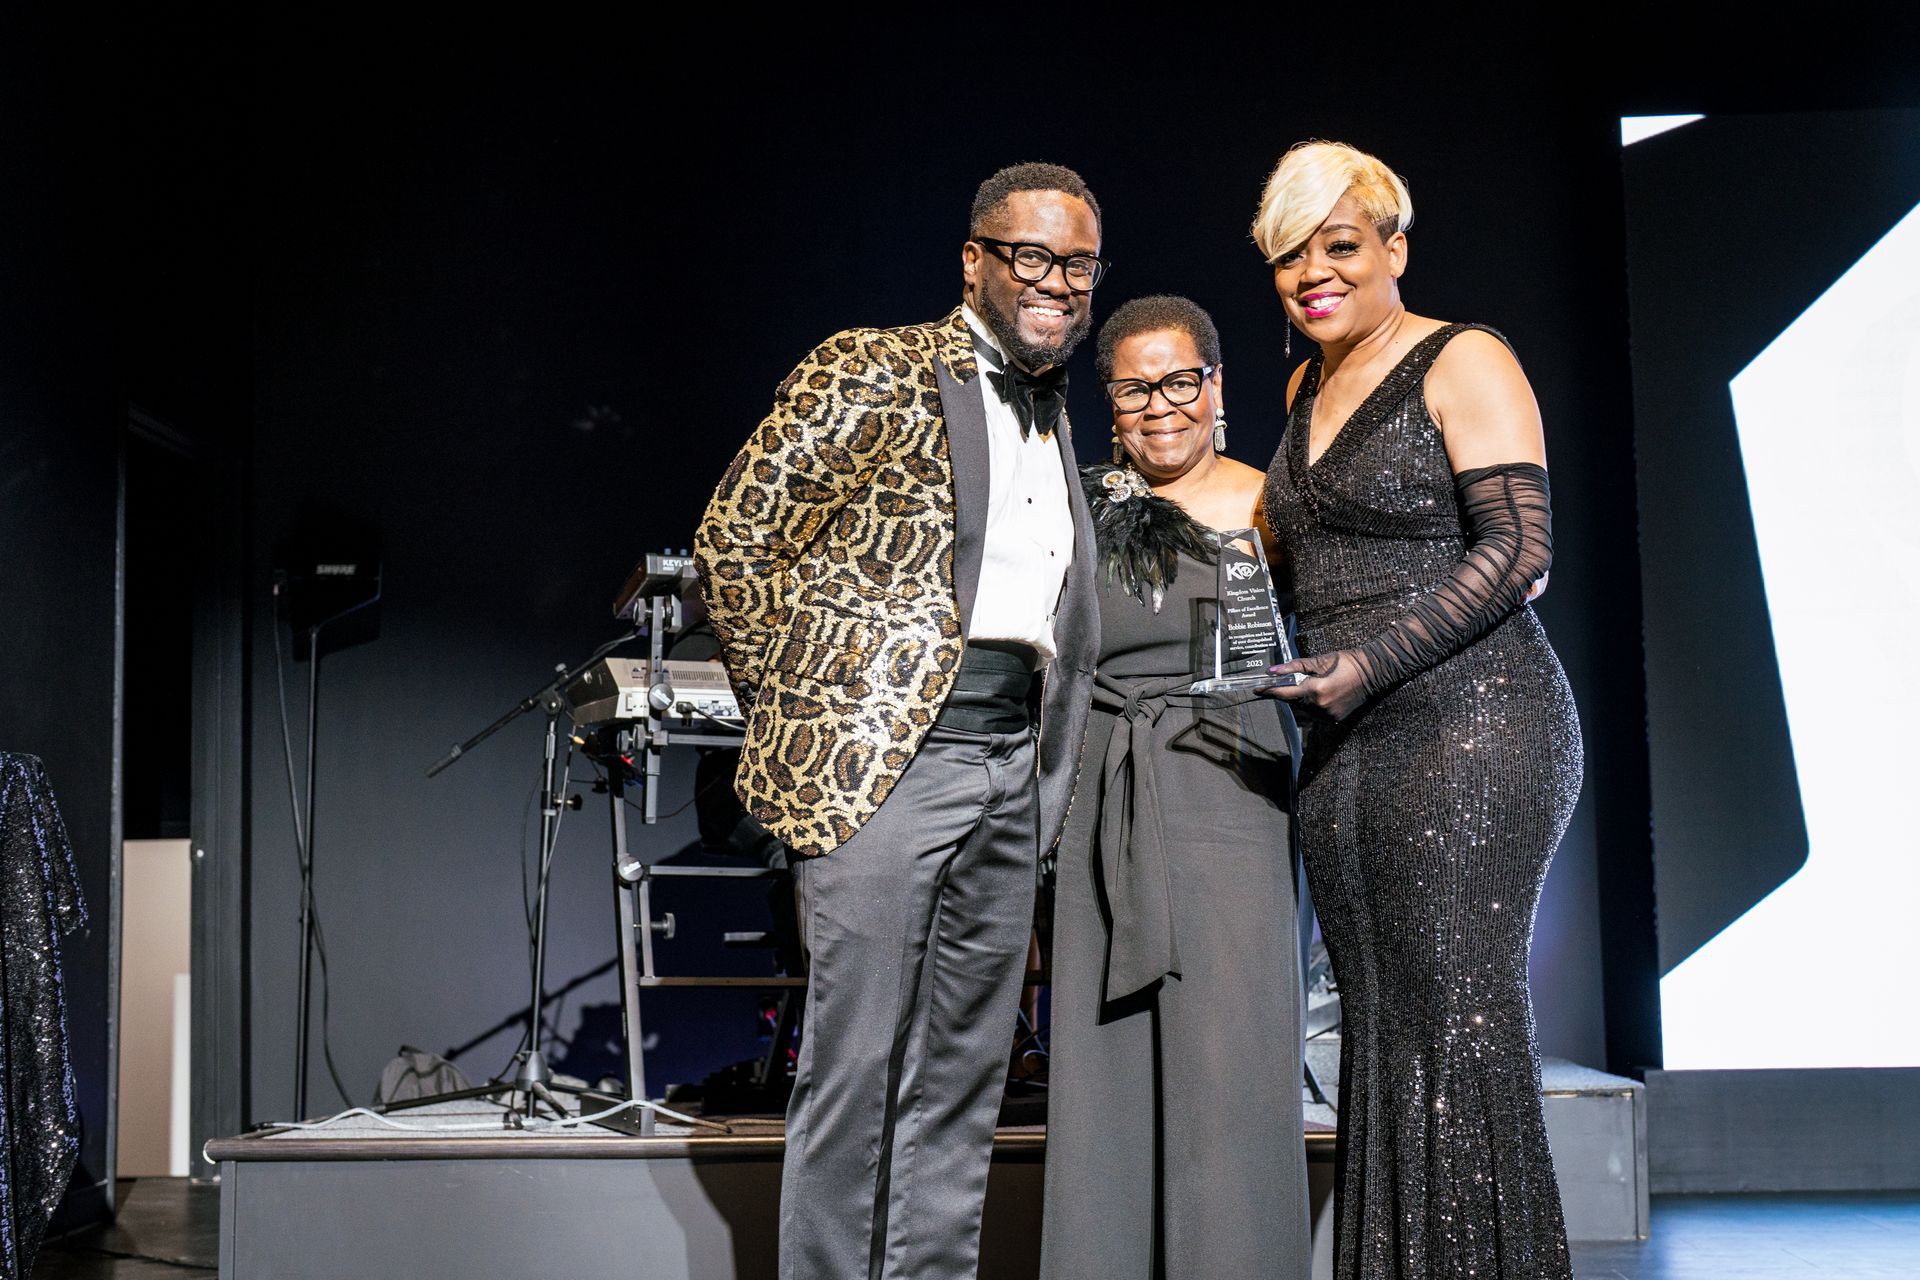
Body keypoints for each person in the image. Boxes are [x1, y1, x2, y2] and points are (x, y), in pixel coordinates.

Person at [694, 162, 1103, 1280]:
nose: (1056, 283)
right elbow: (736, 545)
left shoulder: (1058, 412)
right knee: (856, 1061)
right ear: (973, 260)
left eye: (1077, 264)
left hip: (1012, 765)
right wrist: (813, 714)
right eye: (1031, 256)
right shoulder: (868, 362)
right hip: (890, 767)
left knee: (966, 1072)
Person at [1254, 140, 1584, 1279]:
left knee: (1457, 1016)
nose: (1313, 275)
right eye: (1289, 258)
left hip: (1472, 722)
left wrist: (1369, 658)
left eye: (1338, 246)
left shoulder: (1461, 357)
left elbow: (1522, 552)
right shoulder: (1302, 387)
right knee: (1373, 1029)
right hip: (1347, 742)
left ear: (1394, 246)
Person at [1040, 296, 1310, 1279]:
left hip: (1232, 787)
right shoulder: (1075, 506)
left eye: (1179, 381)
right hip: (1104, 795)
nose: (1160, 406)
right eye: (1134, 387)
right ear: (1106, 399)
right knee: (1102, 1075)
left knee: (1229, 1071)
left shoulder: (1274, 501)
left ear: (1216, 386)